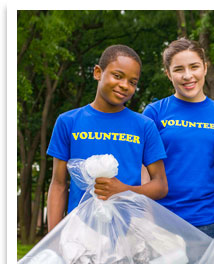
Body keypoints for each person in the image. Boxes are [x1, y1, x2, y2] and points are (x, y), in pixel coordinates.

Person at [142, 38, 214, 264]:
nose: (188, 76)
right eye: (178, 69)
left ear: (205, 67)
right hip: (161, 223)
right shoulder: (154, 111)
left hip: (207, 222)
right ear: (168, 74)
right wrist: (145, 213)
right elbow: (142, 164)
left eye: (194, 66)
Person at [47, 44, 168, 232]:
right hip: (80, 232)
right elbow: (59, 184)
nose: (124, 86)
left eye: (133, 82)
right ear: (98, 72)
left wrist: (124, 190)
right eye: (118, 76)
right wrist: (53, 239)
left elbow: (160, 186)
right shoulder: (68, 121)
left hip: (128, 233)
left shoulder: (144, 126)